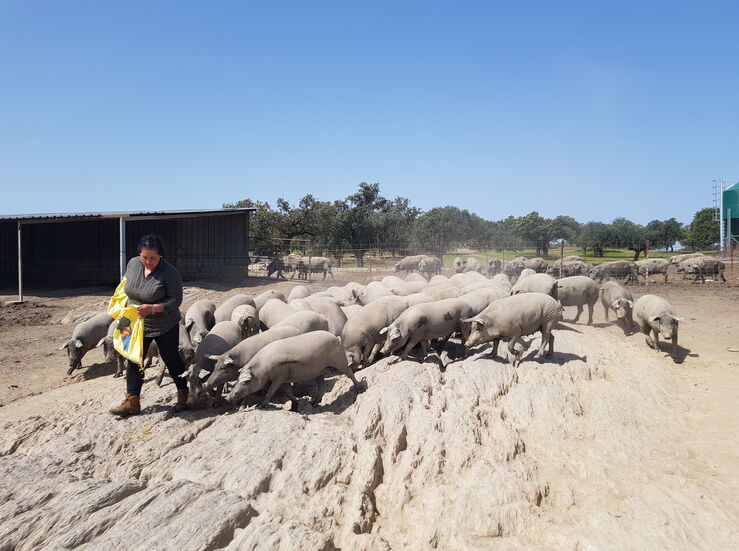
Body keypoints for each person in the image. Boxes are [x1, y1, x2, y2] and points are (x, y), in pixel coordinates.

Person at [109, 234, 189, 416]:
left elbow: (176, 301)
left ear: (161, 255)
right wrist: (122, 304)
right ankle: (132, 401)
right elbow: (125, 284)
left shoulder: (170, 273)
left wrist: (153, 308)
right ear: (139, 253)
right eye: (145, 257)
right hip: (135, 322)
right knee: (134, 358)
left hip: (163, 324)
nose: (148, 261)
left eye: (153, 258)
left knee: (171, 359)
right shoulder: (133, 264)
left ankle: (184, 394)